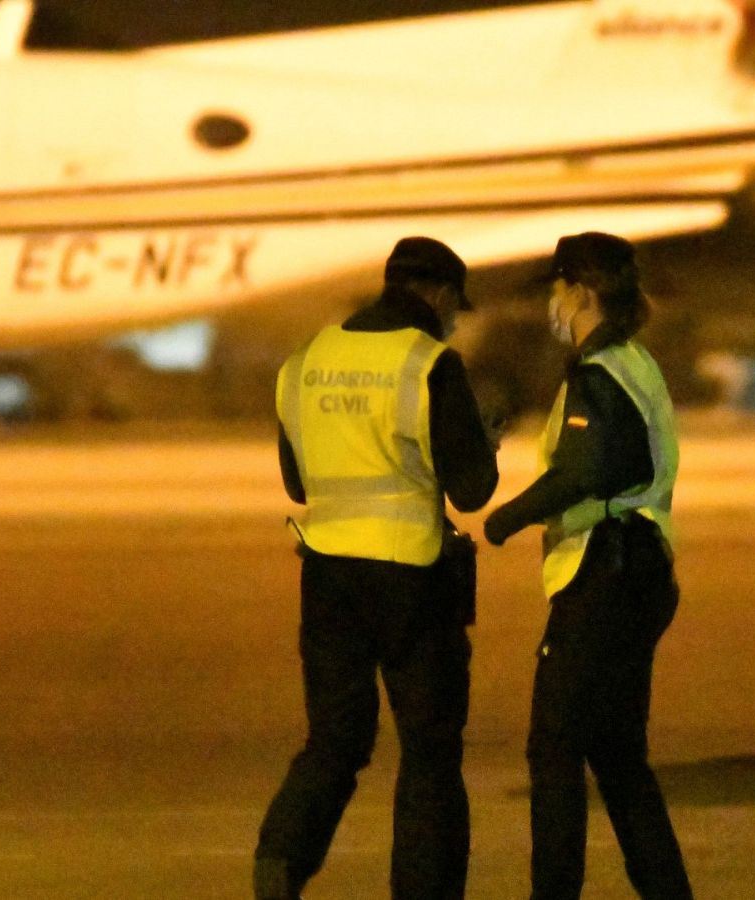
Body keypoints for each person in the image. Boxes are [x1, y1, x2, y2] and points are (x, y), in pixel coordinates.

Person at [255, 236, 500, 900]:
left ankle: (280, 859)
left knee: (334, 740)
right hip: (411, 578)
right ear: (440, 295)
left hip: (328, 577)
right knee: (428, 752)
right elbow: (472, 491)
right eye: (456, 307)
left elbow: (298, 483)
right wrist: (480, 438)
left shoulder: (307, 360)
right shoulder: (429, 363)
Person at [482, 232, 692, 900]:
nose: (549, 299)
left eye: (555, 286)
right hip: (641, 569)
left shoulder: (597, 374)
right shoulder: (636, 363)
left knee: (554, 750)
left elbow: (588, 468)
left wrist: (507, 517)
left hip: (603, 574)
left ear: (582, 291)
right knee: (620, 758)